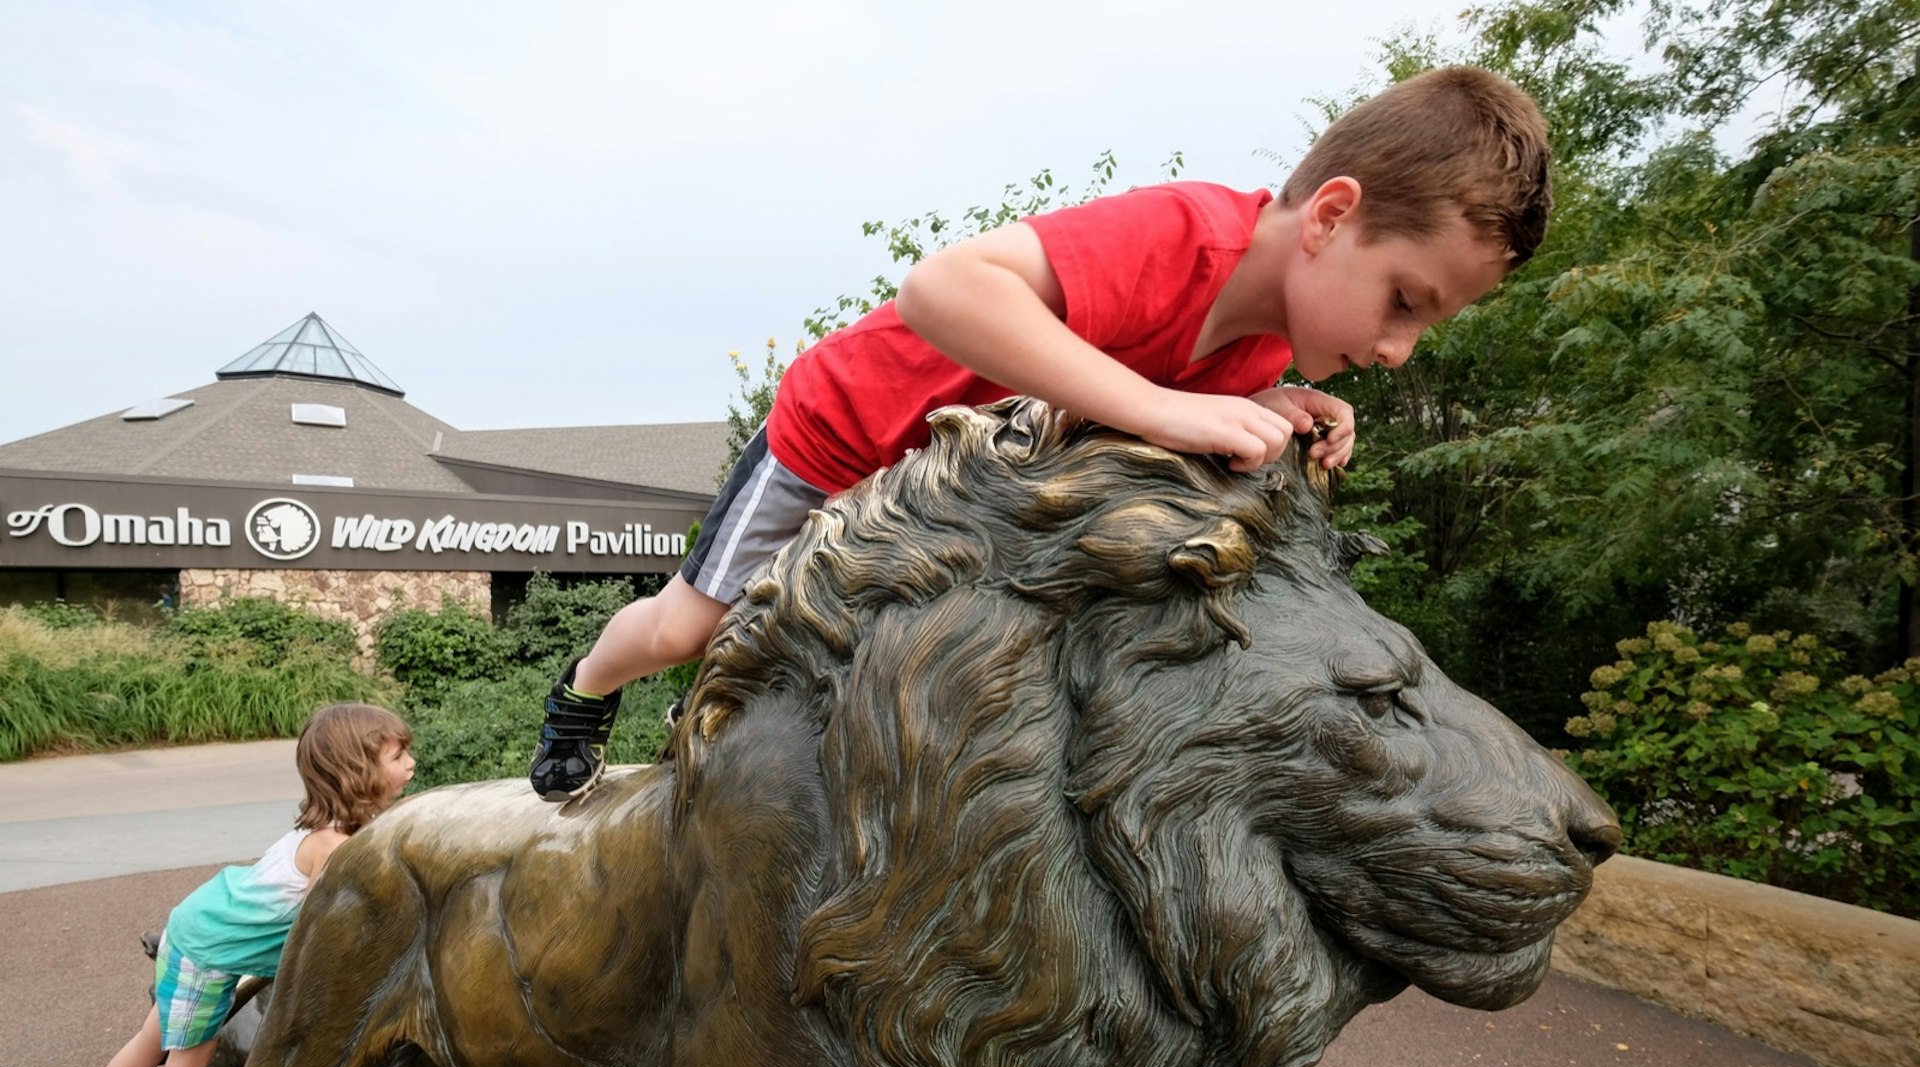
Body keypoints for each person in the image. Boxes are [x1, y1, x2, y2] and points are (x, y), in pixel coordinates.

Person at [529, 65, 1552, 800]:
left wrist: (1267, 409)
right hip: (840, 439)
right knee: (687, 628)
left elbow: (1117, 418)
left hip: (938, 506)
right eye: (1404, 301)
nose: (1399, 348)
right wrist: (1164, 409)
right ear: (1329, 217)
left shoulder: (1251, 358)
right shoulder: (1187, 237)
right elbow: (941, 289)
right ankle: (584, 691)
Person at [23, 702, 415, 1067]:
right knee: (185, 1065)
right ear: (360, 769)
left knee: (151, 1043)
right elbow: (335, 930)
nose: (411, 762)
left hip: (195, 932)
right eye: (399, 755)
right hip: (206, 957)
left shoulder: (328, 830)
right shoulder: (333, 849)